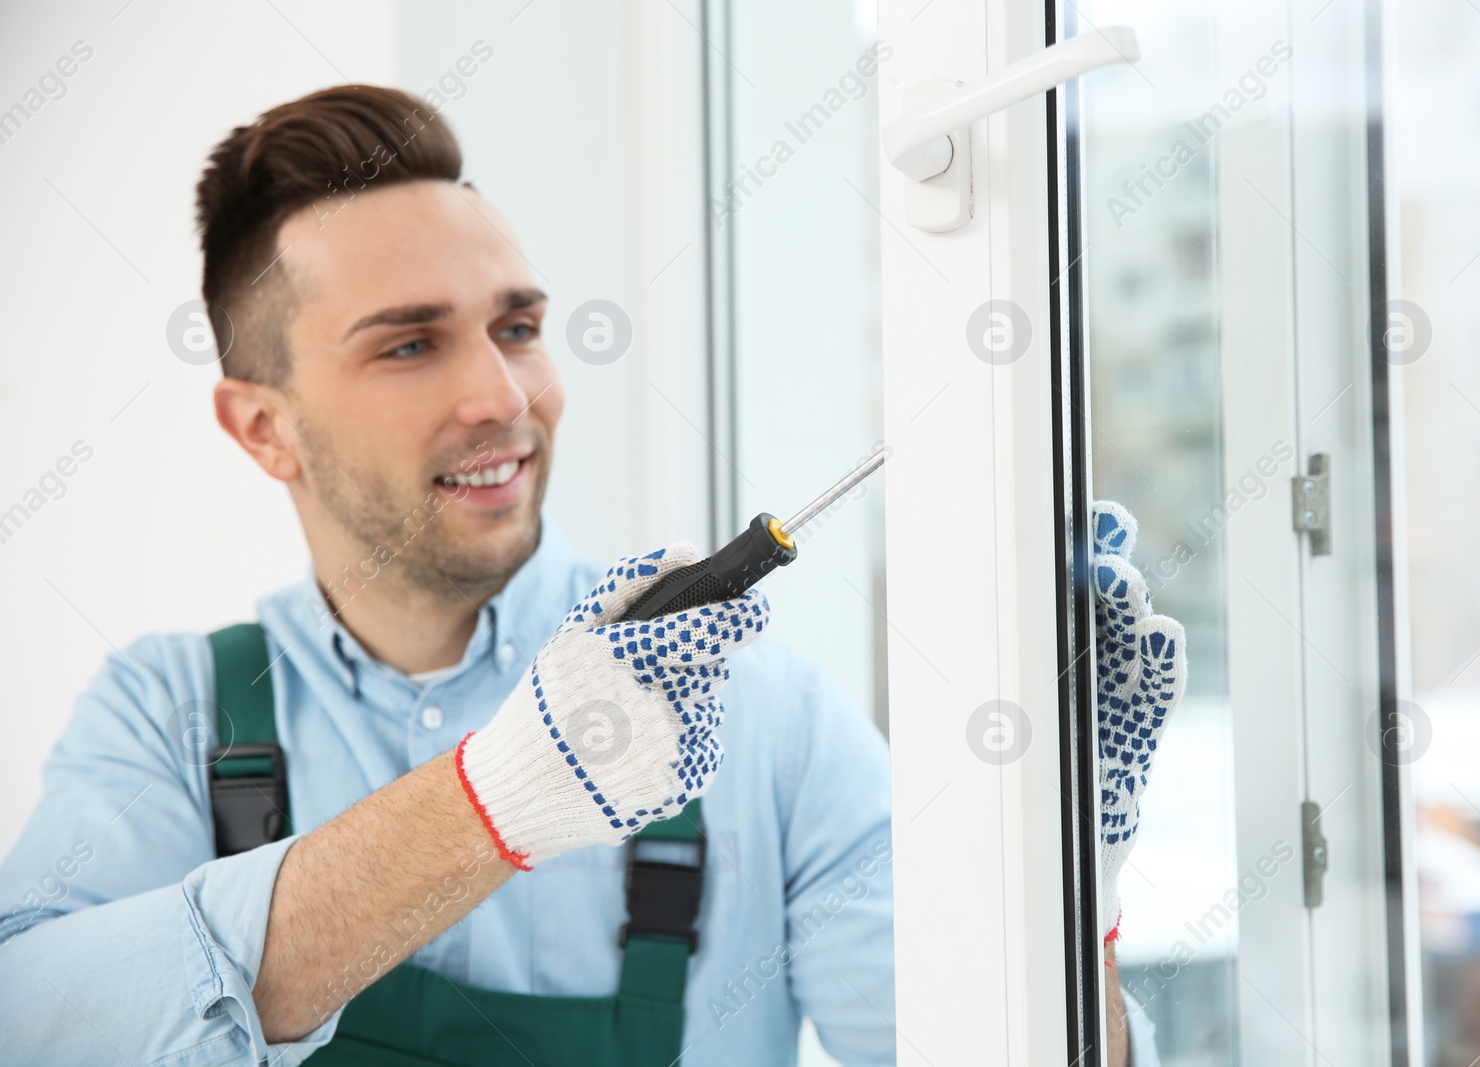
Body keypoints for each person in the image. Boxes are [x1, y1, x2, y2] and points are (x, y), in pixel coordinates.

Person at [0, 85, 1179, 1066]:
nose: (505, 399)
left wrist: (1063, 901)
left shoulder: (759, 717)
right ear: (263, 427)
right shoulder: (170, 714)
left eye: (516, 327)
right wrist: (492, 803)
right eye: (410, 343)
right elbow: (34, 1024)